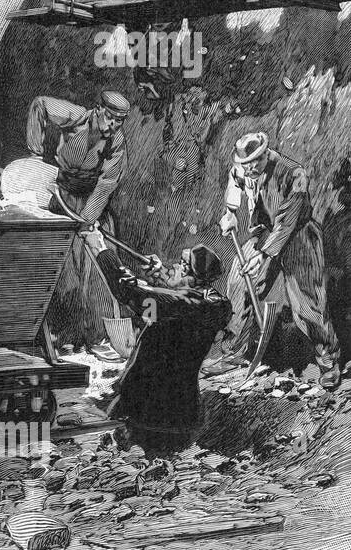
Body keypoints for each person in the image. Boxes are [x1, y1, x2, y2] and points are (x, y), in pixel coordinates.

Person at [84, 231, 231, 455]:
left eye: (181, 264)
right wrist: (161, 276)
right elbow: (172, 300)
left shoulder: (185, 305)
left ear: (193, 277)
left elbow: (131, 292)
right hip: (179, 413)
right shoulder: (213, 303)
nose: (174, 265)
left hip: (154, 415)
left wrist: (101, 250)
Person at [219, 132, 341, 387]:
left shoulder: (294, 174)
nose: (249, 168)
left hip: (299, 237)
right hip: (264, 233)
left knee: (308, 302)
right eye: (245, 164)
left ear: (266, 154)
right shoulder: (243, 169)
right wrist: (230, 212)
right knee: (239, 282)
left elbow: (287, 222)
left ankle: (328, 361)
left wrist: (264, 255)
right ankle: (234, 351)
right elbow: (234, 179)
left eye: (255, 162)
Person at [26, 91, 130, 351]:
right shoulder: (75, 117)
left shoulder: (116, 142)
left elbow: (107, 183)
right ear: (98, 110)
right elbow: (40, 105)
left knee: (97, 271)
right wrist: (36, 153)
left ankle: (99, 337)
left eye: (119, 121)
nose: (113, 125)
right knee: (63, 270)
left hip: (91, 205)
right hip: (61, 200)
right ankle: (64, 336)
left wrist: (87, 219)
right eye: (110, 117)